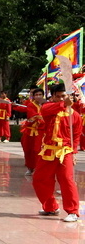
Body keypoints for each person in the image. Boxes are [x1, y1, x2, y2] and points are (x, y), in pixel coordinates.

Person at [32, 83, 82, 222]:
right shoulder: (48, 108)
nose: (61, 99)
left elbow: (76, 135)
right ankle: (51, 207)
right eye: (58, 96)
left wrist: (74, 153)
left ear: (69, 96)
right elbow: (46, 111)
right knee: (39, 179)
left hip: (65, 151)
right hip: (48, 150)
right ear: (52, 97)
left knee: (66, 179)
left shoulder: (75, 115)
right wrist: (63, 104)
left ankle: (73, 211)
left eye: (64, 96)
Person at [12, 87, 45, 175]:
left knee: (37, 150)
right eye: (36, 95)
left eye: (40, 95)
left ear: (43, 96)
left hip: (40, 131)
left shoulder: (46, 105)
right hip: (29, 131)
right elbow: (32, 115)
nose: (38, 96)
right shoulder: (31, 105)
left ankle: (38, 168)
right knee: (28, 149)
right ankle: (30, 167)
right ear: (33, 96)